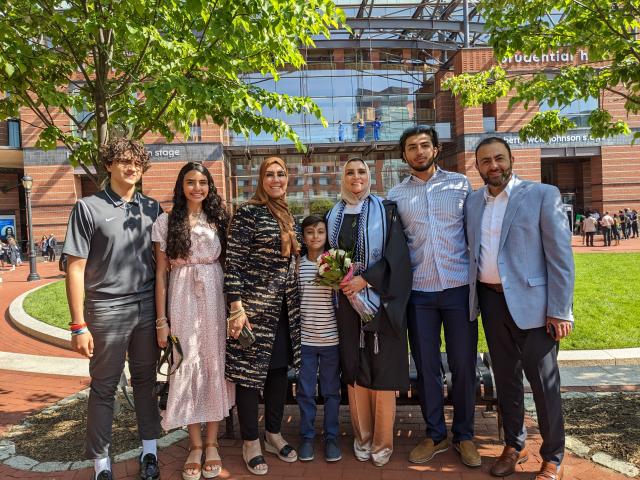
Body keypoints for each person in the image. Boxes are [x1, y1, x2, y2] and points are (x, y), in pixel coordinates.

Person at [466, 137, 574, 480]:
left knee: (544, 383)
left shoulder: (542, 195)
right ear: (477, 166)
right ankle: (514, 444)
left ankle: (553, 455)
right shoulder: (472, 202)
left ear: (511, 159)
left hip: (535, 306)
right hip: (491, 301)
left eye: (499, 158)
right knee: (506, 380)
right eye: (485, 161)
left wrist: (560, 309)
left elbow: (560, 257)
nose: (493, 165)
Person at [63, 138, 162, 480]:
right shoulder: (87, 207)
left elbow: (162, 265)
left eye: (136, 161)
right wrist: (78, 324)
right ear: (108, 165)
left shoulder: (152, 209)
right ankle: (101, 464)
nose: (130, 166)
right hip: (105, 309)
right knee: (104, 386)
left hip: (147, 307)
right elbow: (74, 267)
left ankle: (150, 452)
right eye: (122, 160)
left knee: (146, 382)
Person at [387, 126, 480, 468]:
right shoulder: (395, 195)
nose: (419, 151)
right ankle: (435, 433)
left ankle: (465, 435)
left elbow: (475, 233)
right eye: (412, 147)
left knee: (463, 364)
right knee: (427, 367)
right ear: (404, 155)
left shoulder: (460, 185)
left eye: (425, 145)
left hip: (457, 289)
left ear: (436, 149)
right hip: (419, 294)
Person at [326, 157, 411, 467]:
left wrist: (366, 280)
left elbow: (398, 257)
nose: (356, 177)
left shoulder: (386, 211)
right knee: (354, 369)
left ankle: (382, 441)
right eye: (349, 172)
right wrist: (338, 279)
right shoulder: (332, 214)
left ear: (369, 177)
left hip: (381, 301)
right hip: (346, 303)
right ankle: (362, 436)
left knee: (382, 371)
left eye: (361, 171)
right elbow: (326, 255)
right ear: (343, 178)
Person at [153, 162, 235, 480]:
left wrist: (233, 309)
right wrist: (162, 320)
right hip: (182, 295)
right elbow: (161, 274)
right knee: (185, 364)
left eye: (203, 182)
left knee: (214, 362)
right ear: (181, 185)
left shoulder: (218, 220)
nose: (197, 187)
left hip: (214, 294)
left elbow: (230, 265)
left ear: (209, 186)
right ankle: (195, 445)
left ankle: (212, 443)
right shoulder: (165, 222)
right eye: (190, 182)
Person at [225, 156, 301, 476]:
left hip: (284, 311)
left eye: (280, 174)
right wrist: (236, 308)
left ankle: (272, 433)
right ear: (260, 179)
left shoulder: (287, 214)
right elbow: (233, 263)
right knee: (248, 377)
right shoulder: (248, 213)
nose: (275, 179)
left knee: (278, 374)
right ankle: (250, 441)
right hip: (254, 313)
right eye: (269, 174)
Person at [296, 215, 342, 463]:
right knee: (305, 391)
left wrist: (338, 279)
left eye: (320, 232)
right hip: (306, 342)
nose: (315, 236)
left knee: (331, 391)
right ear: (303, 237)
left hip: (331, 341)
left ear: (327, 235)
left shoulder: (333, 262)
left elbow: (340, 298)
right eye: (310, 232)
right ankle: (306, 437)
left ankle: (331, 437)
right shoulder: (298, 265)